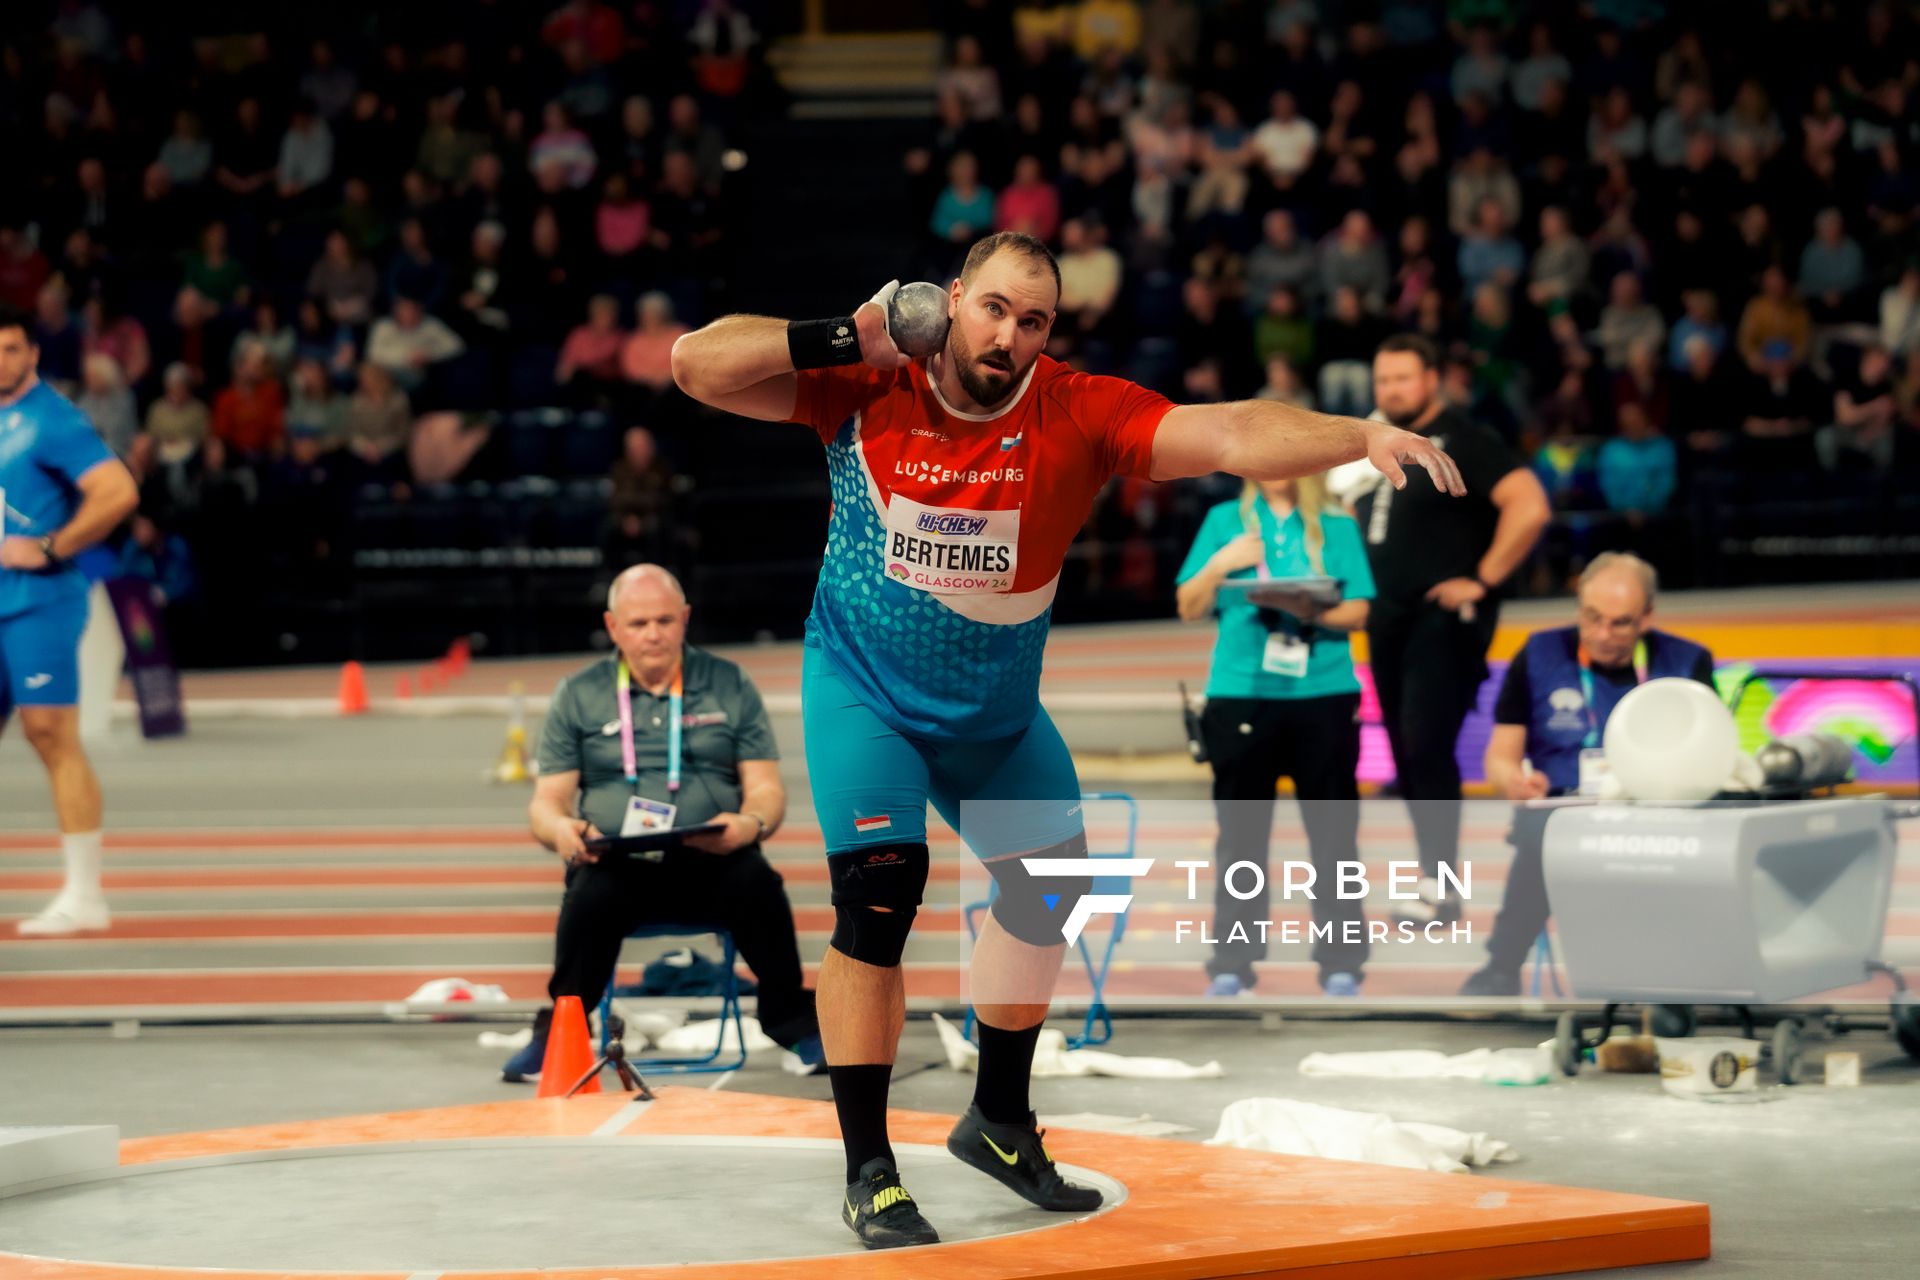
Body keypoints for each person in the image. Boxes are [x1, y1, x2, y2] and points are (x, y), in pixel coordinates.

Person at [670, 232, 1462, 1249]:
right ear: (950, 300)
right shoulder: (865, 382)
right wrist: (846, 335)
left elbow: (1228, 432)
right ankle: (870, 1168)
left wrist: (1361, 433)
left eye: (1033, 320)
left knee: (1051, 890)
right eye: (994, 308)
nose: (1009, 335)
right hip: (867, 689)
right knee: (880, 887)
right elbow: (696, 364)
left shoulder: (1079, 411)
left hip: (995, 715)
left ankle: (998, 1119)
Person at [509, 564, 823, 1081]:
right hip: (619, 866)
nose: (652, 633)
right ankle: (561, 1026)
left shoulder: (728, 683)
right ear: (613, 627)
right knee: (587, 892)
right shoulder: (579, 693)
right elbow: (547, 802)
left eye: (663, 620)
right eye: (637, 624)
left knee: (758, 880)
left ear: (685, 619)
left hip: (713, 861)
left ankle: (793, 1021)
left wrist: (750, 824)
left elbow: (766, 787)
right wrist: (561, 830)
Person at [1351, 335, 1550, 924]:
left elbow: (1530, 504)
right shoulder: (1379, 443)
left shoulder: (1465, 438)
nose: (1390, 391)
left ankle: (1442, 888)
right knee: (1410, 758)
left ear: (1432, 380)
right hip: (1388, 619)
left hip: (1443, 620)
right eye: (1382, 380)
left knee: (1426, 746)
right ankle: (1434, 882)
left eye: (1402, 379)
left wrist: (1482, 580)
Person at [1461, 554, 1714, 995]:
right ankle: (1501, 967)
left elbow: (1710, 760)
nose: (1602, 635)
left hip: (1653, 810)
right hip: (1563, 811)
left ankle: (1678, 973)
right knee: (1541, 833)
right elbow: (1499, 758)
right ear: (1578, 607)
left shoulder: (1687, 664)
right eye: (1592, 618)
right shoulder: (1538, 653)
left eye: (1620, 624)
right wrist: (1514, 783)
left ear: (1647, 617)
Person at [1175, 471, 1376, 997]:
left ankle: (1341, 961)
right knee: (1241, 839)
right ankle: (1232, 962)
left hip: (1324, 692)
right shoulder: (1225, 522)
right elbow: (1189, 606)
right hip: (1241, 693)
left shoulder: (1335, 523)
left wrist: (1313, 609)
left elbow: (1360, 610)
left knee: (1334, 838)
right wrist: (1222, 564)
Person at [0, 302, 140, 935]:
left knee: (51, 734)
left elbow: (117, 492)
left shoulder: (52, 420)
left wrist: (52, 546)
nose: (1, 361)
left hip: (39, 600)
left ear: (32, 354)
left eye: (10, 349)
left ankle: (86, 897)